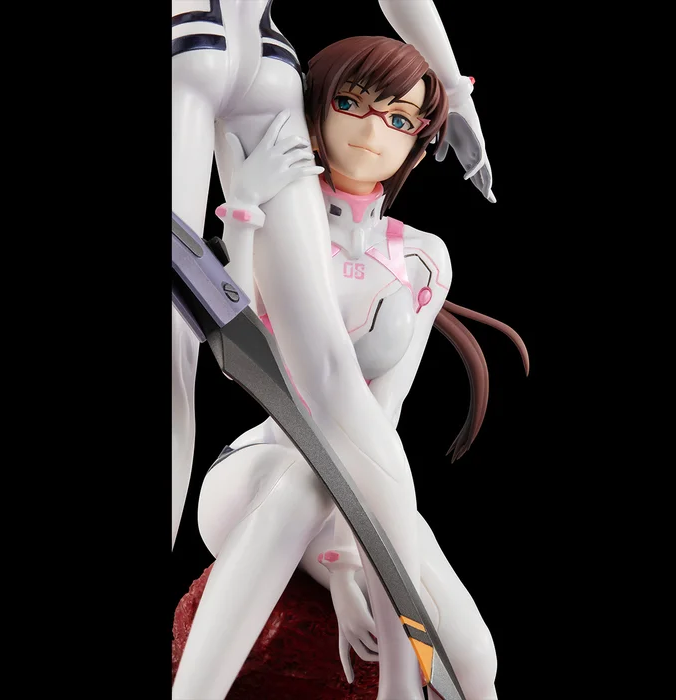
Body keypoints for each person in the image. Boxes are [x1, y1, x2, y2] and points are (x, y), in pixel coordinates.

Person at [173, 35, 527, 700]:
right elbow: (237, 353)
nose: (372, 131)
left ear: (419, 139)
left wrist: (348, 557)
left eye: (399, 118)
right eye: (350, 104)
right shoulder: (289, 212)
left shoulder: (423, 258)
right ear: (317, 108)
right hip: (262, 468)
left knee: (474, 660)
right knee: (304, 482)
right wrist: (243, 210)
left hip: (365, 480)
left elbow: (382, 416)